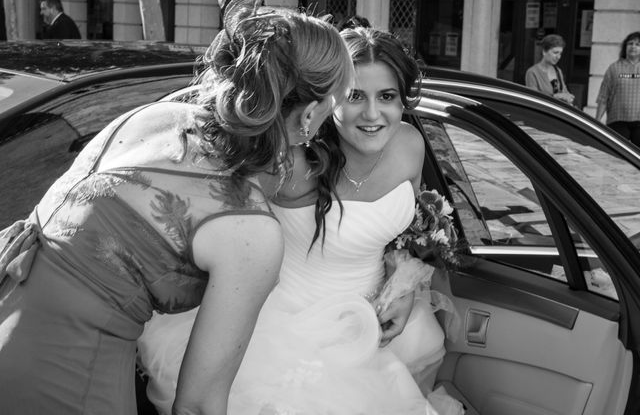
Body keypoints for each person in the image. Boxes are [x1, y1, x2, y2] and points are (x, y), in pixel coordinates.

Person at [0, 0, 354, 415]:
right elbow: (199, 406)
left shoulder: (150, 118)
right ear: (312, 113)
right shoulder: (251, 229)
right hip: (67, 381)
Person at [138, 27, 463, 415]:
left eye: (387, 97)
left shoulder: (410, 145)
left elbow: (405, 230)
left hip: (381, 324)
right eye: (356, 96)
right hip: (287, 332)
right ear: (329, 99)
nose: (373, 114)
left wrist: (403, 288)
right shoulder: (287, 163)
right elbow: (214, 224)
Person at [595, 31, 640, 146]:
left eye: (637, 44)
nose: (633, 47)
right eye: (630, 43)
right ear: (625, 46)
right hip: (618, 120)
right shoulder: (614, 68)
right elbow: (604, 96)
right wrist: (597, 121)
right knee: (617, 158)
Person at [525, 34, 574, 105]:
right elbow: (533, 99)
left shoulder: (558, 70)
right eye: (555, 53)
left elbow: (565, 92)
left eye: (560, 53)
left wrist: (569, 97)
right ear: (544, 52)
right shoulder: (532, 72)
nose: (558, 57)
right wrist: (556, 96)